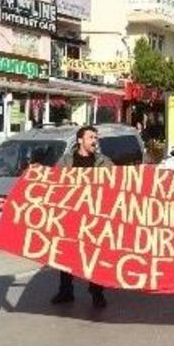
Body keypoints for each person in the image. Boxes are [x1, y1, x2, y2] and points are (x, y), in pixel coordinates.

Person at [52, 125, 114, 309]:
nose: (94, 140)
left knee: (94, 256)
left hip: (95, 216)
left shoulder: (104, 162)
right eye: (90, 137)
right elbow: (52, 184)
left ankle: (97, 292)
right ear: (80, 140)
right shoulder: (66, 161)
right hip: (71, 215)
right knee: (65, 254)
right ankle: (66, 291)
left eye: (96, 137)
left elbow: (118, 186)